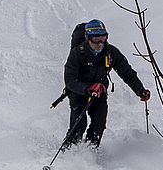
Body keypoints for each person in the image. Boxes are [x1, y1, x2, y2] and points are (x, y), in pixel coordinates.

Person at [61, 19, 151, 148]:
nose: (100, 43)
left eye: (103, 38)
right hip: (78, 92)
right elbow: (69, 80)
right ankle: (68, 150)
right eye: (95, 39)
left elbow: (127, 72)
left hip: (99, 92)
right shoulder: (77, 53)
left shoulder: (111, 52)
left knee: (99, 123)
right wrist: (87, 88)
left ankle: (90, 151)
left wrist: (140, 90)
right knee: (79, 124)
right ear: (88, 38)